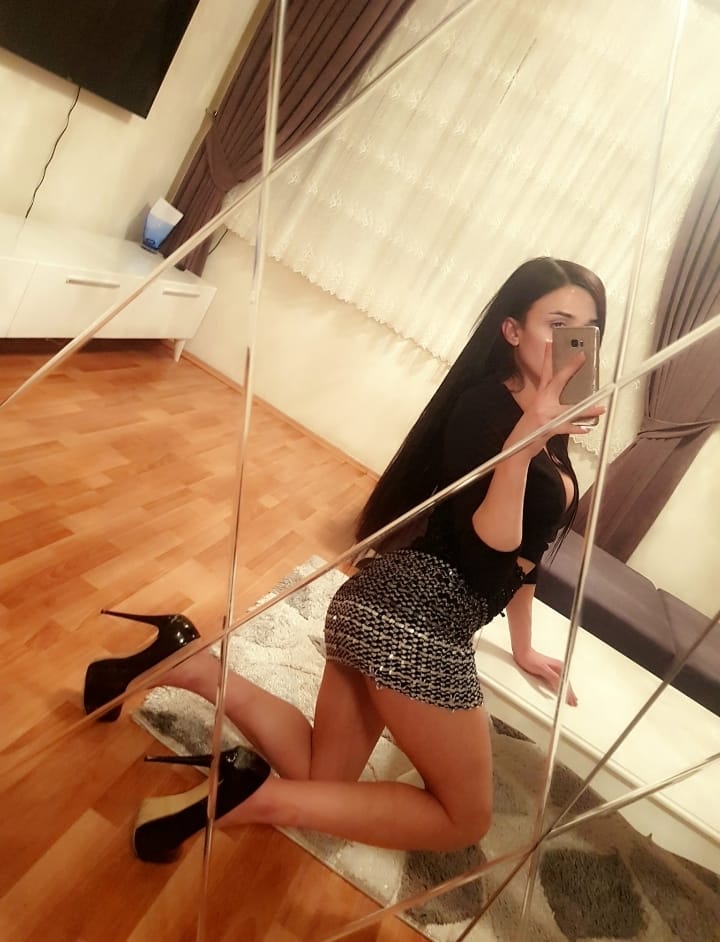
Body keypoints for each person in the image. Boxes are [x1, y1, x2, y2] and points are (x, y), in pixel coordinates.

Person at [83, 257, 606, 863]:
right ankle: (251, 800)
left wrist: (523, 646)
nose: (570, 345)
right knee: (465, 818)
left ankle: (186, 661)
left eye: (584, 331)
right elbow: (491, 546)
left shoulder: (551, 424)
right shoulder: (486, 410)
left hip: (382, 606)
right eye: (557, 325)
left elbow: (525, 562)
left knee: (321, 776)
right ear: (512, 330)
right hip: (417, 623)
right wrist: (522, 446)